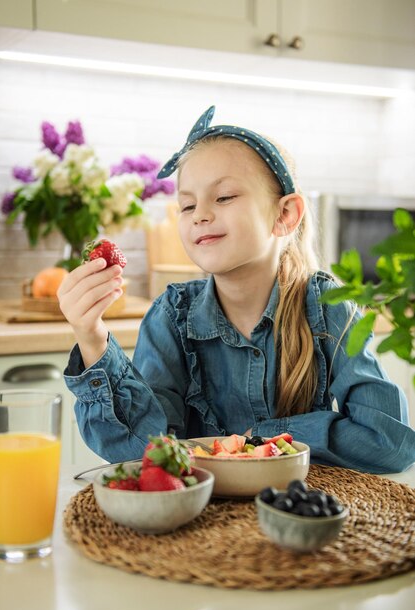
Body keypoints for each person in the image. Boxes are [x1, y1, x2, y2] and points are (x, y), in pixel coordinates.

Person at [59, 106, 415, 474]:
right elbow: (144, 453)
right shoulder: (171, 315)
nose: (199, 214)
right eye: (187, 204)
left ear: (284, 215)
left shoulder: (328, 308)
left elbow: (390, 442)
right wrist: (92, 338)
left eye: (224, 197)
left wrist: (265, 437)